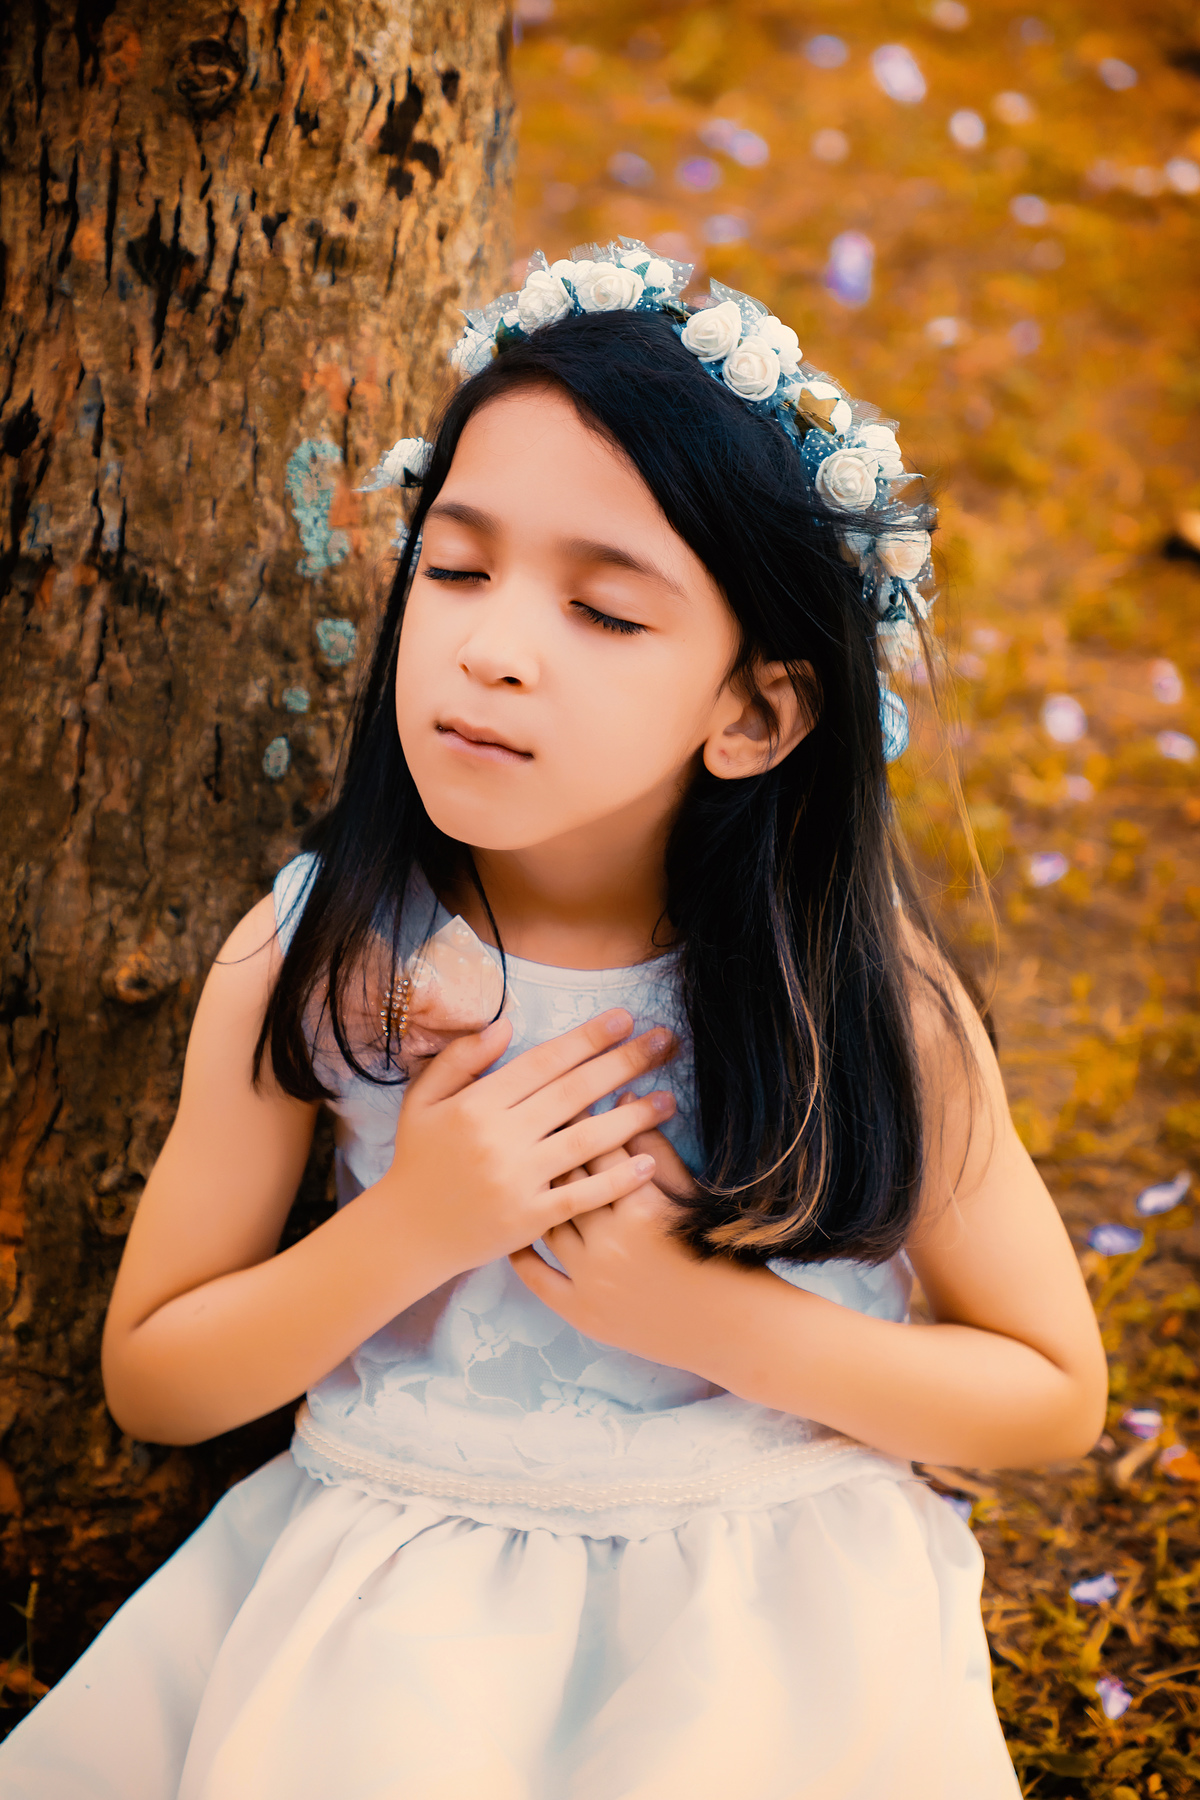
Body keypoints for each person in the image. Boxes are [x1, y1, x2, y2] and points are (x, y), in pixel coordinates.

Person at [0, 239, 1106, 1799]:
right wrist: (417, 1225)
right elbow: (157, 1375)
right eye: (455, 570)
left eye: (603, 610)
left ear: (759, 711)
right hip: (394, 1603)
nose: (491, 645)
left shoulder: (854, 993)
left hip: (764, 1609)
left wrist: (698, 1320)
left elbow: (1051, 1390)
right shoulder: (320, 954)